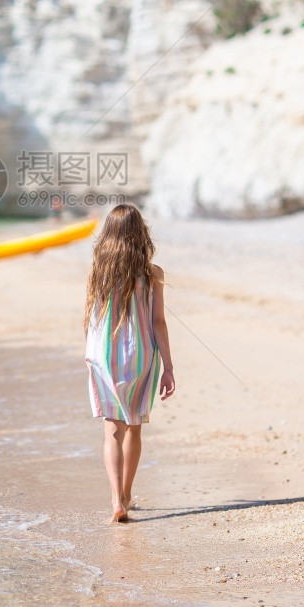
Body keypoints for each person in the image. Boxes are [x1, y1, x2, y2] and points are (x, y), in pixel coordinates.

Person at [84, 203, 175, 523]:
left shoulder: (99, 269)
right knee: (134, 427)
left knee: (112, 429)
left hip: (103, 355)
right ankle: (126, 493)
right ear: (141, 233)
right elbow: (159, 322)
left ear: (108, 234)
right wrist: (169, 367)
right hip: (139, 354)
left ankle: (115, 501)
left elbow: (92, 315)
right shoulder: (153, 274)